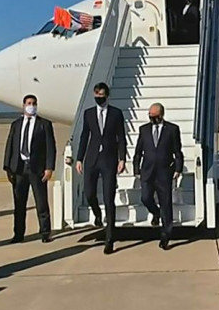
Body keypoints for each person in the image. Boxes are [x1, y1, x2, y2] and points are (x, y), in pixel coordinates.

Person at [76, 83, 126, 255]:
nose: (99, 97)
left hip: (109, 159)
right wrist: (79, 159)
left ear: (107, 95)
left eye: (102, 94)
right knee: (89, 193)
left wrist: (122, 158)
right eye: (96, 94)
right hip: (91, 158)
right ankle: (97, 213)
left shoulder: (116, 114)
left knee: (108, 197)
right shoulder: (88, 113)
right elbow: (84, 136)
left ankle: (109, 238)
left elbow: (121, 137)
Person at [3, 94, 57, 243]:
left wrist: (49, 167)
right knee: (19, 204)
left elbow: (50, 148)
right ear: (23, 105)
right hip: (19, 169)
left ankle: (45, 233)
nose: (31, 105)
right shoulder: (16, 124)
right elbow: (10, 146)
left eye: (33, 103)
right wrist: (8, 167)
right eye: (28, 103)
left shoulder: (44, 124)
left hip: (37, 169)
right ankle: (18, 234)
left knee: (41, 203)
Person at [133, 103, 184, 250]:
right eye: (149, 116)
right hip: (147, 172)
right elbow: (138, 151)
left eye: (154, 116)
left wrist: (178, 168)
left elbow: (177, 151)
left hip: (164, 172)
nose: (151, 119)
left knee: (166, 203)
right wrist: (136, 168)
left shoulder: (172, 130)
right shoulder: (144, 130)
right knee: (145, 197)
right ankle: (155, 213)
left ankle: (165, 235)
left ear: (161, 115)